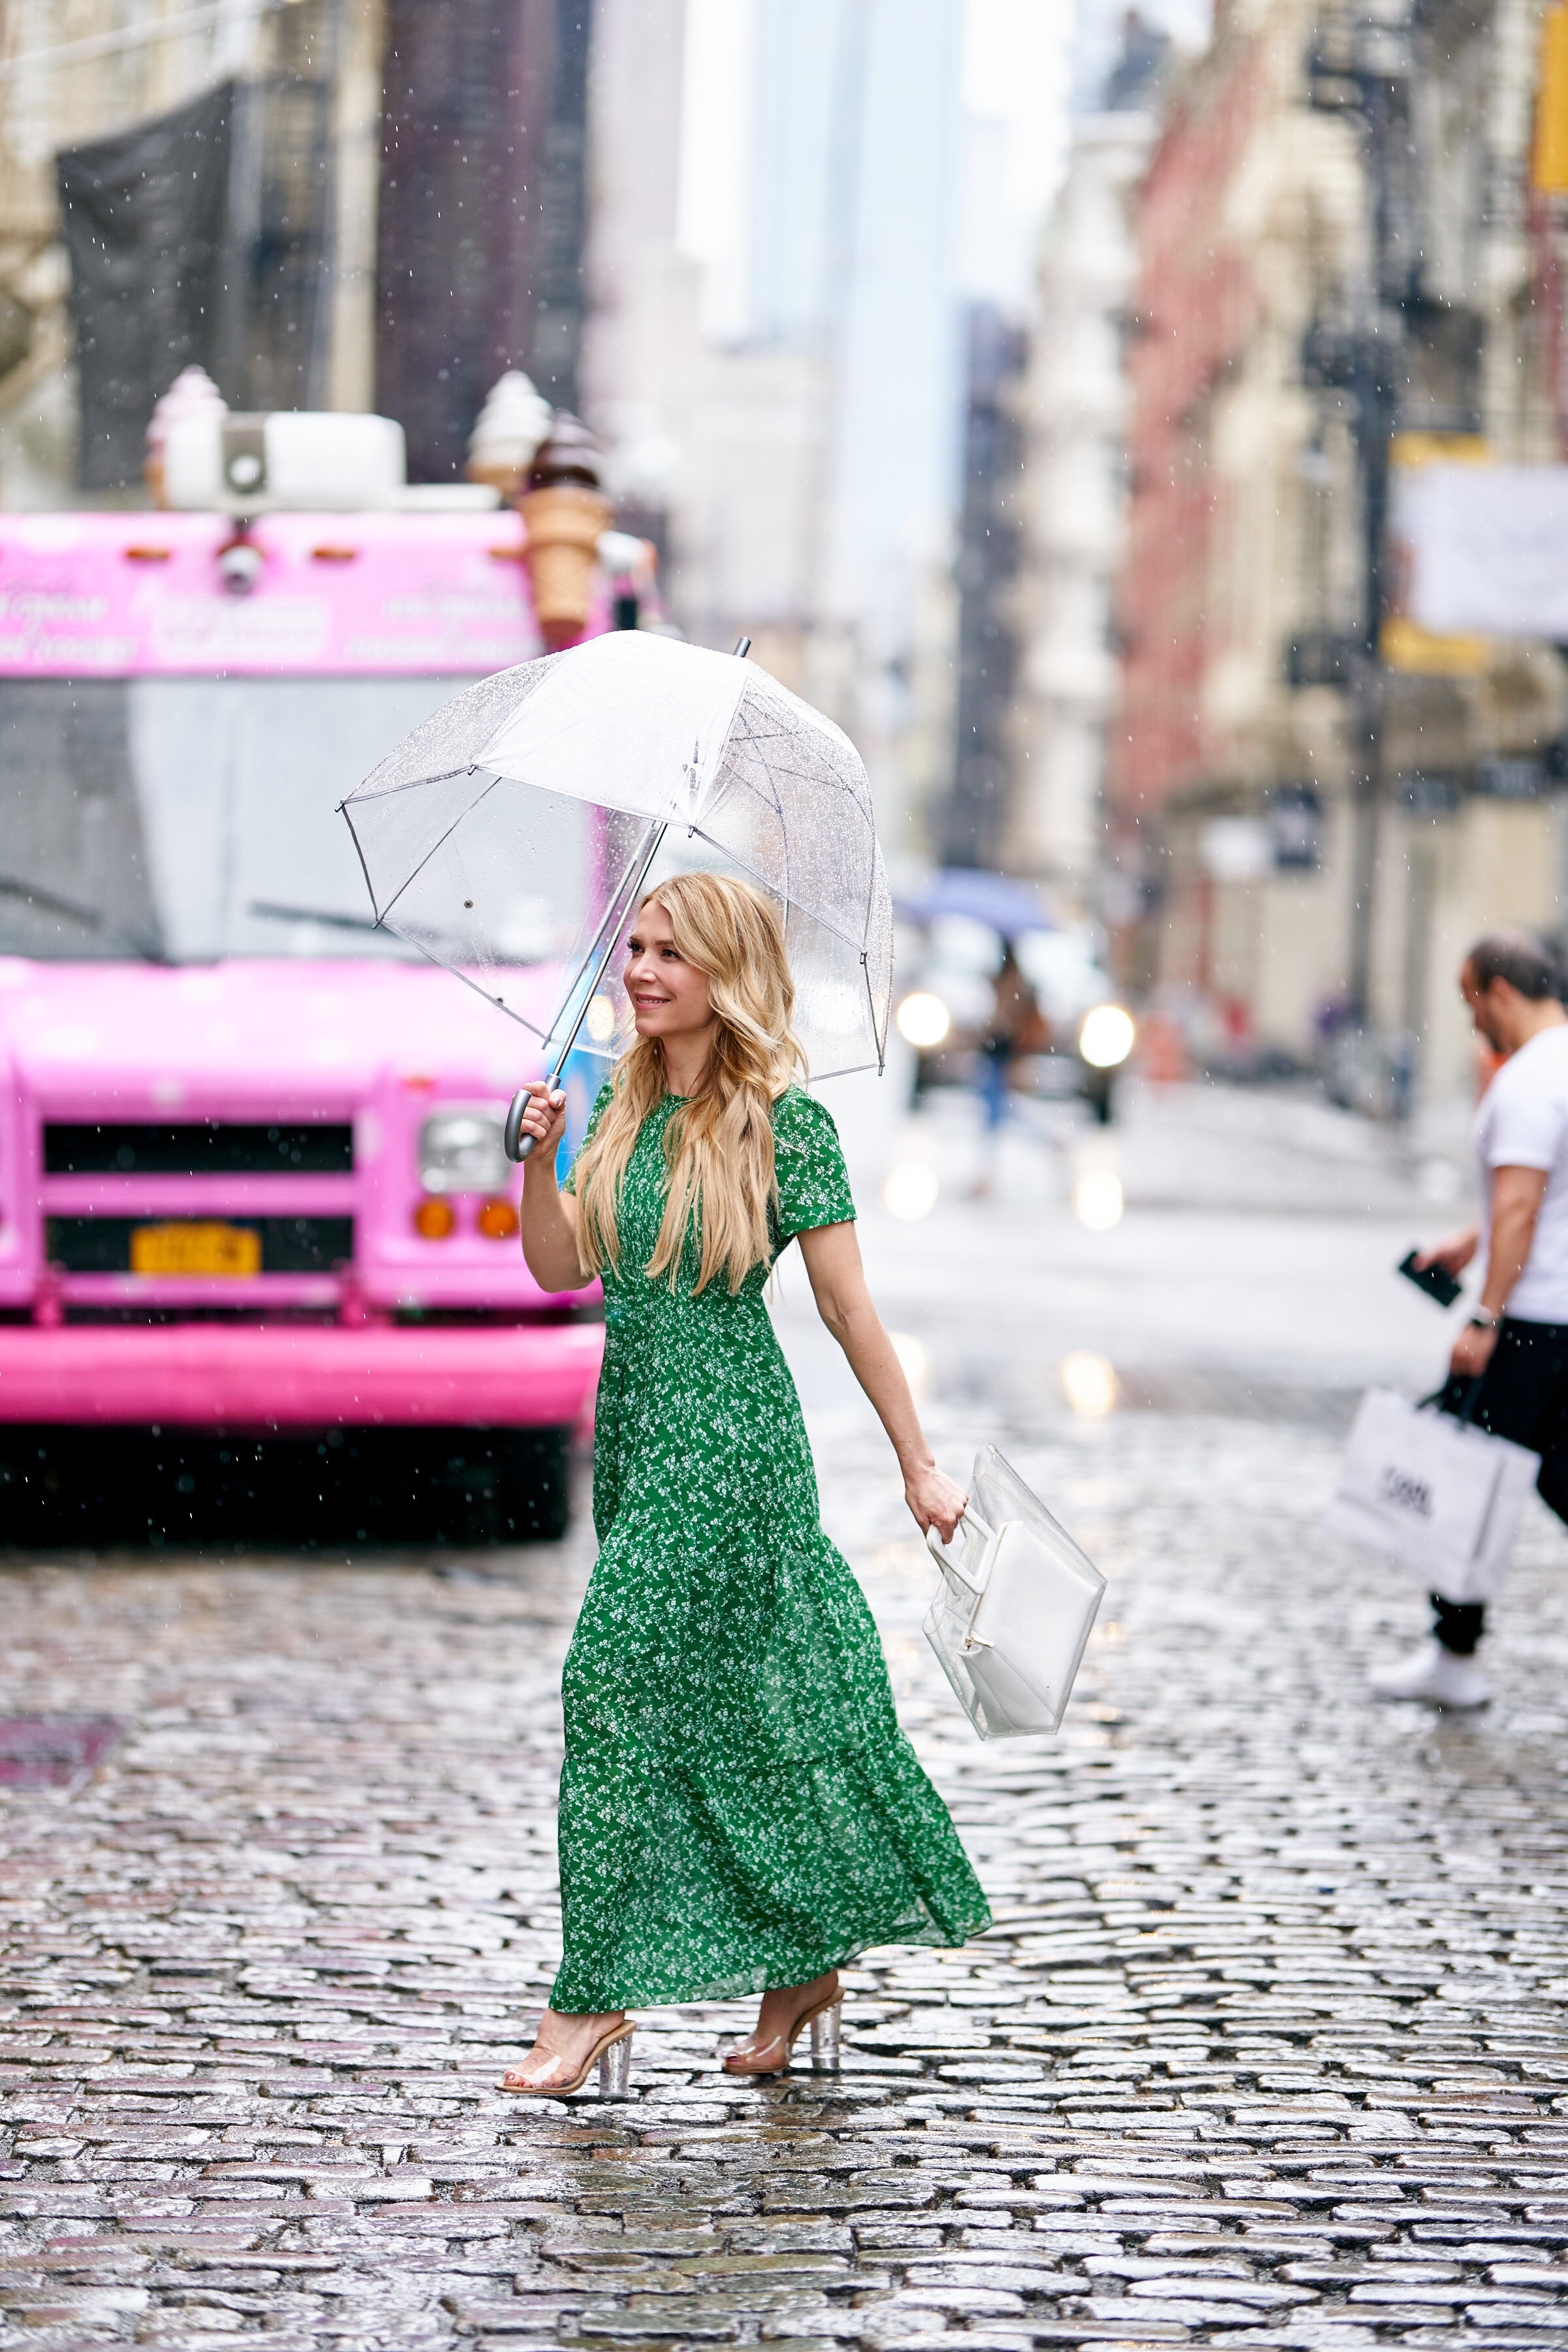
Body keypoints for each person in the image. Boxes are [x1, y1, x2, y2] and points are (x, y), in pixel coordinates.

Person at [500, 872, 991, 2095]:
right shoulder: (613, 1102)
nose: (646, 969)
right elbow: (561, 1268)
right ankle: (805, 1965)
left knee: (607, 1678)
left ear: (727, 972)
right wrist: (537, 1160)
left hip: (731, 1449)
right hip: (639, 1432)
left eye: (674, 953)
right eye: (640, 948)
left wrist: (918, 1462)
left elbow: (844, 1305)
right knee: (754, 1709)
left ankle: (590, 2000)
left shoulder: (784, 1122)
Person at [1372, 928, 1568, 1708]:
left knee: (1470, 1485)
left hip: (1530, 1322)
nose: (1471, 1022)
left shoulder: (1524, 1083)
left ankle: (1453, 1660)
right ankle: (1451, 1652)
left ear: (1499, 992)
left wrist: (1485, 1318)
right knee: (1554, 1474)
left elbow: (1523, 1203)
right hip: (1562, 1314)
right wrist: (1471, 1240)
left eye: (1470, 1001)